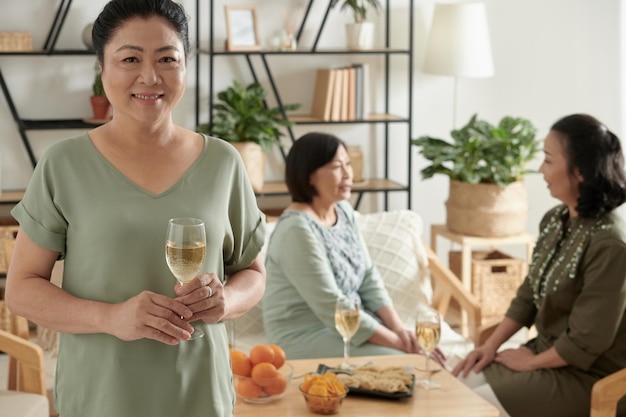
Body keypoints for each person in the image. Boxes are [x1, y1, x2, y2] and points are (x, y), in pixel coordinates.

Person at [5, 1, 266, 416]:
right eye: (130, 58)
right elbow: (21, 291)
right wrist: (110, 317)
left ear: (185, 66)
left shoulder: (223, 163)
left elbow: (252, 273)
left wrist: (226, 302)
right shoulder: (64, 164)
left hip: (201, 396)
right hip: (100, 398)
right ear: (102, 68)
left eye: (167, 59)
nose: (150, 76)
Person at [453, 114, 626, 417]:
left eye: (547, 160)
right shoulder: (555, 220)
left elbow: (587, 341)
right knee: (458, 383)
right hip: (544, 353)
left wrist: (530, 362)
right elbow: (528, 294)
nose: (540, 170)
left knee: (470, 407)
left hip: (588, 376)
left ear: (581, 172)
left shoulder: (610, 245)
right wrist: (490, 347)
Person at [262, 132, 440, 361]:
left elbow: (368, 277)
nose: (348, 174)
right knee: (409, 362)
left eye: (348, 164)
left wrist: (400, 332)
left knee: (415, 358)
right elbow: (332, 306)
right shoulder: (296, 230)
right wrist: (400, 345)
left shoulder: (343, 210)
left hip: (348, 325)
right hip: (306, 335)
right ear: (309, 175)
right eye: (337, 166)